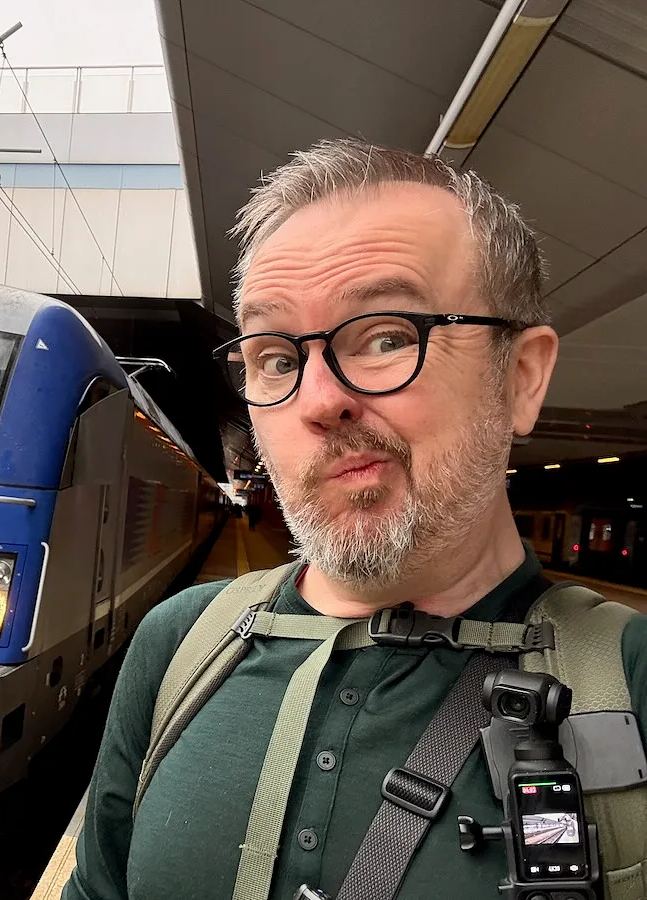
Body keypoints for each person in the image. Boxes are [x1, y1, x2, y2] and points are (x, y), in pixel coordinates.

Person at [62, 138, 647, 900]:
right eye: (275, 357)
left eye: (385, 336)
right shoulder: (179, 647)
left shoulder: (628, 680)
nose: (316, 401)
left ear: (523, 377)